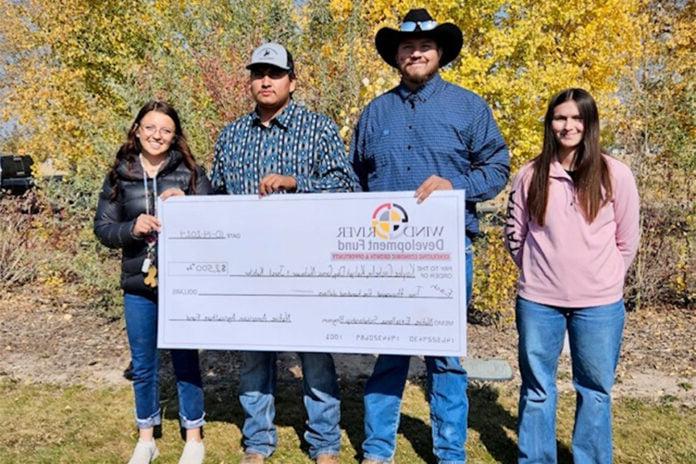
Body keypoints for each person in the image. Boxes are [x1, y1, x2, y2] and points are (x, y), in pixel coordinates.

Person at [351, 8, 510, 464]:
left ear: (439, 53)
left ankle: (450, 451)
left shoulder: (468, 107)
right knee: (390, 352)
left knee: (445, 356)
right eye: (406, 47)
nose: (415, 53)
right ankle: (377, 449)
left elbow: (497, 168)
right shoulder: (374, 112)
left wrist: (455, 187)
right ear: (396, 56)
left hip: (446, 252)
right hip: (385, 254)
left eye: (424, 46)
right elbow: (356, 179)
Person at [210, 42, 359, 464]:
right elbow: (214, 194)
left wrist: (296, 183)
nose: (265, 81)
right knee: (254, 354)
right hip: (250, 267)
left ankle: (325, 442)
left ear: (292, 81)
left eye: (275, 73)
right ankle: (257, 441)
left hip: (307, 264)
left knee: (315, 355)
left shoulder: (318, 128)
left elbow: (347, 187)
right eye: (258, 73)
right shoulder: (232, 135)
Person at [504, 88, 640, 463]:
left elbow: (627, 240)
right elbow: (516, 235)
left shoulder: (616, 174)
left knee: (595, 389)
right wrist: (538, 269)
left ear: (589, 124)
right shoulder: (531, 174)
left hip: (599, 304)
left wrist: (606, 276)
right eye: (560, 118)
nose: (568, 126)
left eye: (577, 118)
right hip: (538, 301)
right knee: (537, 389)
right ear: (550, 124)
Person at [94, 100, 211, 464]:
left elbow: (214, 219)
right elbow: (103, 228)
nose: (157, 135)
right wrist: (132, 228)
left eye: (166, 130)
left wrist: (188, 204)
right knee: (143, 364)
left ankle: (194, 436)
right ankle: (147, 436)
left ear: (176, 136)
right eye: (150, 127)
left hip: (183, 284)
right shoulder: (119, 174)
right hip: (138, 284)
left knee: (185, 358)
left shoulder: (190, 171)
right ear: (137, 130)